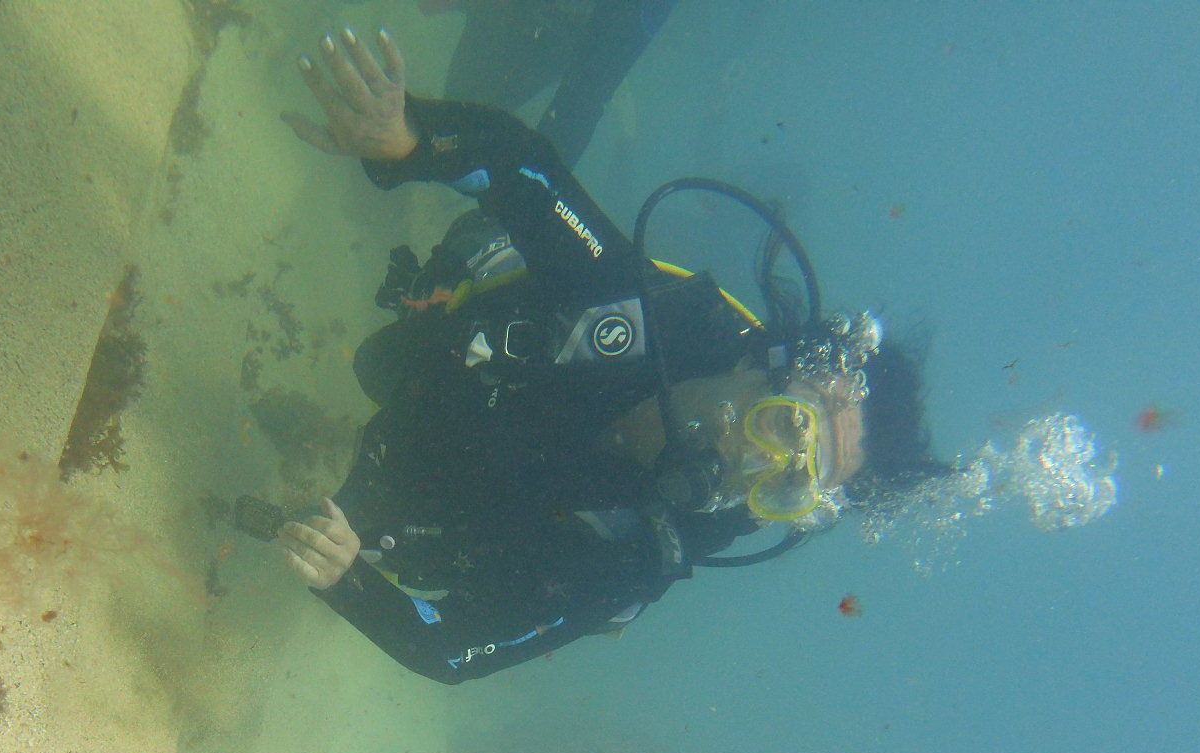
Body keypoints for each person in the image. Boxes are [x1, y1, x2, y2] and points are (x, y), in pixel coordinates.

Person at [269, 28, 942, 684]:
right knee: (381, 359)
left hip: (455, 477)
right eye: (788, 424)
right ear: (760, 364)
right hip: (460, 350)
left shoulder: (640, 557)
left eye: (791, 485)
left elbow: (451, 650)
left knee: (363, 514)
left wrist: (347, 578)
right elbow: (522, 168)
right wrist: (412, 141)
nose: (756, 464)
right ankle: (492, 236)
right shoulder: (644, 314)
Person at [419, 0, 680, 165]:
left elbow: (582, 101)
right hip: (527, 15)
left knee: (461, 125)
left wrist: (530, 201)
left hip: (573, 30)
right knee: (455, 121)